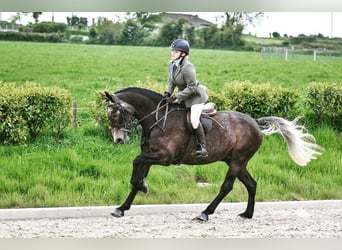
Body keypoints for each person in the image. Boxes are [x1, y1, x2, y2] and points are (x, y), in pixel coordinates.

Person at [164, 39, 209, 157]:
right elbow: (171, 81)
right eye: (172, 50)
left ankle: (203, 146)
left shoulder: (188, 67)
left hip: (196, 97)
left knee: (194, 120)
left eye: (176, 51)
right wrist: (167, 93)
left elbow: (192, 87)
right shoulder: (171, 64)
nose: (173, 53)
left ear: (183, 54)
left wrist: (177, 96)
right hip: (184, 95)